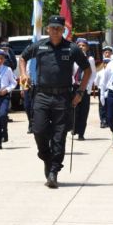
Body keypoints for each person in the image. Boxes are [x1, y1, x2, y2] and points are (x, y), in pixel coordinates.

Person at [18, 15, 91, 189]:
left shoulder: (72, 48)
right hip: (42, 95)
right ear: (48, 30)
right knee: (38, 130)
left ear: (63, 30)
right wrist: (23, 74)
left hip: (63, 97)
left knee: (59, 136)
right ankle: (47, 158)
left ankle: (54, 172)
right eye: (53, 28)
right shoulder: (40, 46)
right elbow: (22, 58)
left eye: (59, 28)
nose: (56, 31)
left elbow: (87, 70)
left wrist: (80, 92)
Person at [72, 38, 97, 140]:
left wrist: (88, 87)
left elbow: (93, 74)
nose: (81, 47)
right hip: (74, 86)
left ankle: (81, 133)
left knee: (83, 111)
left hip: (84, 87)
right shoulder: (73, 58)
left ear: (87, 47)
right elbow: (71, 72)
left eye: (83, 45)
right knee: (74, 109)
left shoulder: (90, 59)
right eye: (79, 45)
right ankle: (74, 128)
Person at [95, 57, 111, 128]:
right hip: (101, 90)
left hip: (109, 90)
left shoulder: (112, 72)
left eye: (108, 63)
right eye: (105, 63)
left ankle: (108, 120)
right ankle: (103, 120)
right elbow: (96, 82)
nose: (106, 64)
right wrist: (100, 87)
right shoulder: (100, 72)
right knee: (102, 106)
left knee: (109, 105)